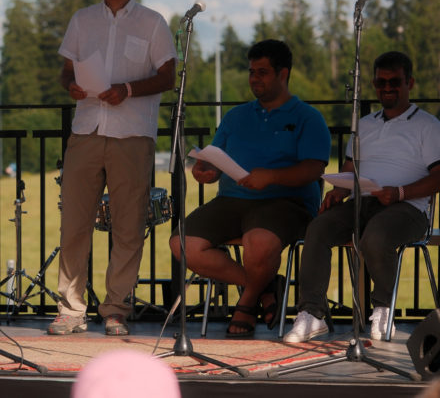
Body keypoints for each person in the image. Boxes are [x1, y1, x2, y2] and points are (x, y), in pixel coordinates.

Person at [48, 0, 176, 337]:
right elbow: (66, 71)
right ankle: (70, 309)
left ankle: (116, 308)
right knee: (74, 224)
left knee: (127, 226)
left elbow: (169, 76)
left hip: (132, 135)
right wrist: (70, 86)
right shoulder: (82, 20)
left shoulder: (153, 23)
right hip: (86, 130)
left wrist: (128, 89)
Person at [169, 39, 331, 338]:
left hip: (287, 203)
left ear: (283, 74)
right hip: (232, 199)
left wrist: (271, 177)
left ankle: (246, 302)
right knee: (182, 244)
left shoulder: (308, 117)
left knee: (258, 241)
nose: (255, 78)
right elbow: (215, 159)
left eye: (263, 72)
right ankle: (263, 286)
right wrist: (206, 171)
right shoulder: (235, 116)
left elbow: (314, 169)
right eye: (251, 71)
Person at [284, 51, 440, 343]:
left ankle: (383, 308)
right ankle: (312, 313)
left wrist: (400, 193)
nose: (387, 87)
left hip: (407, 208)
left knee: (376, 235)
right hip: (362, 201)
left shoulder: (428, 126)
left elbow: (438, 176)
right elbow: (349, 168)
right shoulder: (365, 124)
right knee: (318, 228)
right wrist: (338, 191)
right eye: (381, 82)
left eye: (395, 81)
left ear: (411, 83)